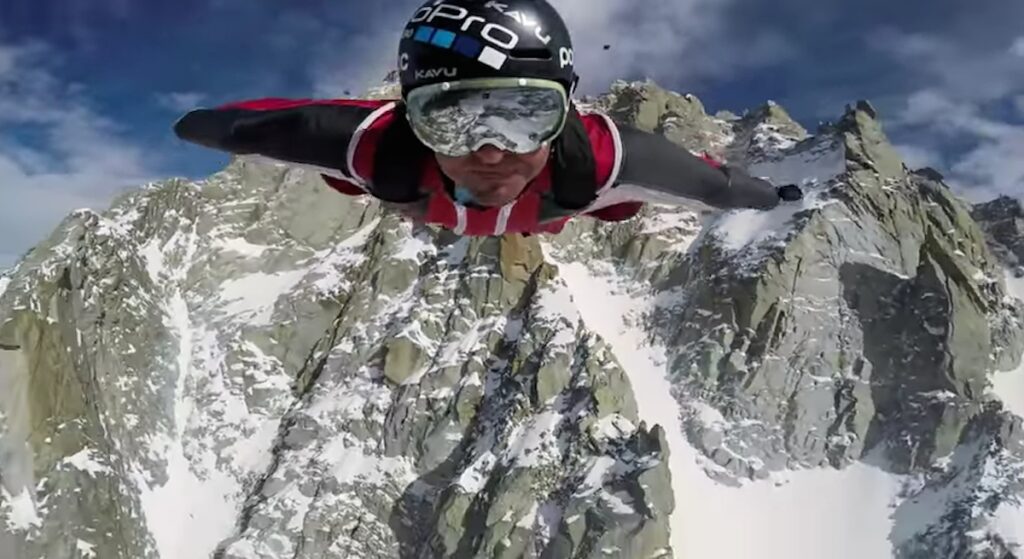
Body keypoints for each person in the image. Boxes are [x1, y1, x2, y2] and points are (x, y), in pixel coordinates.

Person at [173, 0, 802, 237]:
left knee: (614, 201)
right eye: (449, 118)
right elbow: (250, 126)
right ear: (407, 116)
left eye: (525, 115)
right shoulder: (371, 146)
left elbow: (719, 185)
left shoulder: (613, 160)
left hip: (553, 199)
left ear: (567, 114)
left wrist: (773, 194)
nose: (491, 152)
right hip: (546, 202)